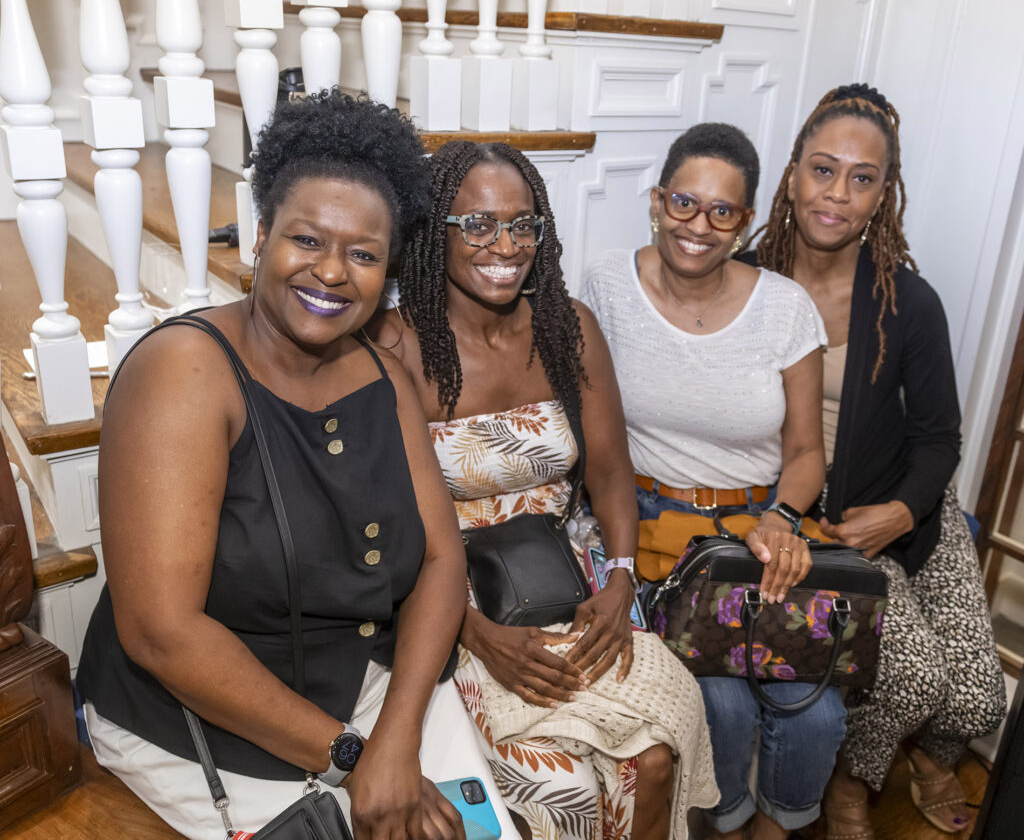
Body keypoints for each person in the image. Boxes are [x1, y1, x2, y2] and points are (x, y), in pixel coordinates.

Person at [75, 91, 476, 840]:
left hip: (365, 694)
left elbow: (443, 559)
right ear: (261, 236)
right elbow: (162, 632)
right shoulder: (185, 372)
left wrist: (396, 730)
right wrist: (356, 758)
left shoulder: (386, 376)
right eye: (307, 240)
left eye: (363, 253)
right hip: (199, 719)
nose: (331, 272)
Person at [372, 140, 717, 840]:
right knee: (561, 788)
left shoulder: (568, 328)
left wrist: (620, 581)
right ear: (435, 232)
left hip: (572, 584)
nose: (506, 244)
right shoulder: (397, 343)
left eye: (523, 224)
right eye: (478, 224)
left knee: (652, 757)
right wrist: (476, 632)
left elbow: (614, 474)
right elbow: (384, 530)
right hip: (452, 606)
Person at [580, 123, 846, 840]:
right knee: (722, 702)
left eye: (721, 211)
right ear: (657, 200)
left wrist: (784, 518)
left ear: (746, 221)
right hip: (653, 529)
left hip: (760, 533)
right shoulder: (604, 283)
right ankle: (722, 825)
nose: (698, 225)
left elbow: (805, 451)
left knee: (817, 706)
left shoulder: (786, 306)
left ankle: (774, 828)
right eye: (684, 203)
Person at [753, 83, 1005, 837]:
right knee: (917, 676)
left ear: (883, 194)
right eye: (824, 169)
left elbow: (940, 439)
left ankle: (931, 755)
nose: (838, 194)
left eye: (863, 179)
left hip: (912, 503)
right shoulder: (742, 280)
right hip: (831, 521)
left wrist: (904, 510)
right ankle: (853, 781)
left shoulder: (908, 300)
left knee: (980, 702)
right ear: (793, 172)